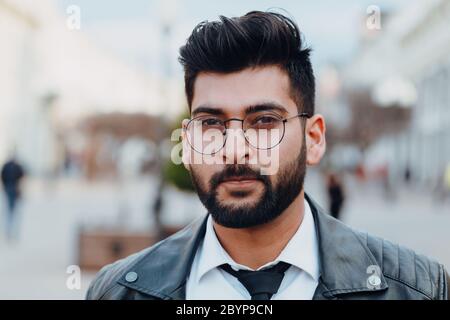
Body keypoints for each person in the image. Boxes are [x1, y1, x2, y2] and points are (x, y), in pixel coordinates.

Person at [86, 11, 449, 300]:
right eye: (211, 123)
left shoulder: (416, 289)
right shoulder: (119, 291)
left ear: (314, 138)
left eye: (263, 122)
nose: (235, 147)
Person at [1, 155, 25, 241]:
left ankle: (10, 231)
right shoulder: (16, 166)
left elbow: (2, 176)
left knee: (10, 211)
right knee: (13, 211)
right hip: (13, 188)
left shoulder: (7, 166)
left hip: (10, 188)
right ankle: (12, 232)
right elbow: (22, 176)